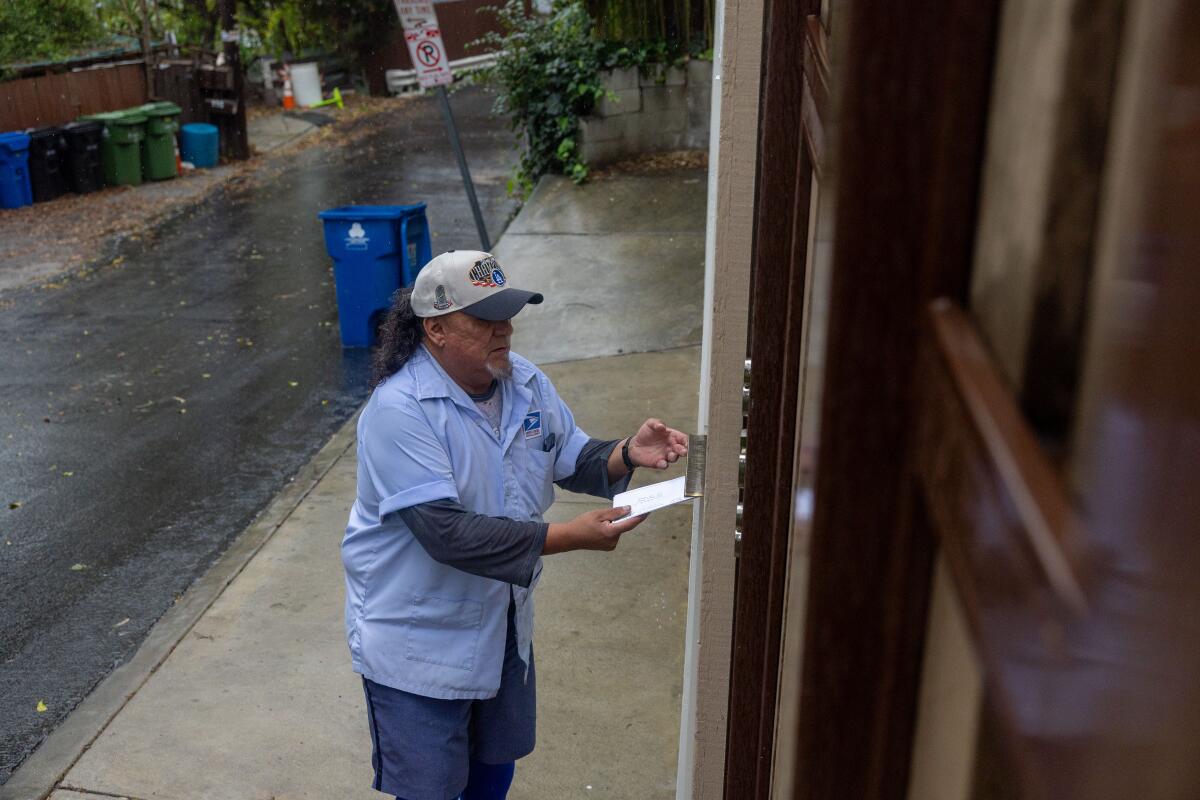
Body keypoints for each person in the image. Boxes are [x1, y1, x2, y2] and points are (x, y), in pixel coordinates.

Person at [341, 250, 689, 800]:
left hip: (501, 621)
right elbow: (447, 534)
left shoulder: (523, 381)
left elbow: (570, 456)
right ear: (435, 329)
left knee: (493, 769)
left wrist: (626, 452)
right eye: (484, 319)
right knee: (430, 790)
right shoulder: (399, 410)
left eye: (507, 314)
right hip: (418, 639)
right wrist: (569, 537)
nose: (503, 329)